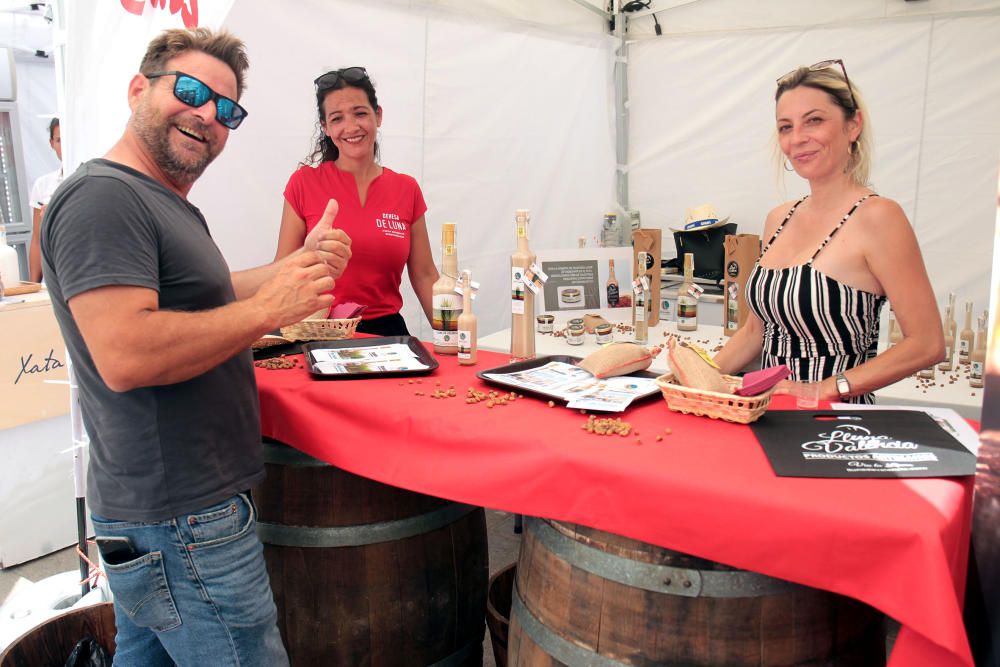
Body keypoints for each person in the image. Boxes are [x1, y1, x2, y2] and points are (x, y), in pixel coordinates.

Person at [40, 28, 351, 665]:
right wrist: (269, 311)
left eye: (226, 108)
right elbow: (126, 352)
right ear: (137, 90)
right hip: (183, 517)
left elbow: (202, 294)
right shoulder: (104, 198)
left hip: (162, 513)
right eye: (190, 91)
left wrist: (296, 265)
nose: (208, 113)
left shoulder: (159, 200)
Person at [714, 59, 943, 403]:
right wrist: (697, 377)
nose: (797, 139)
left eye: (814, 121)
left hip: (831, 425)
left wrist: (823, 388)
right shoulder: (779, 217)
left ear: (853, 126)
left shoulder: (878, 216)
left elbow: (926, 343)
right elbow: (754, 333)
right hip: (766, 414)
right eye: (785, 127)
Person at [275, 66, 437, 336]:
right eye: (337, 119)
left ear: (378, 116)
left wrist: (456, 336)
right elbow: (282, 271)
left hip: (387, 337)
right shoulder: (303, 183)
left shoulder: (406, 189)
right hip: (320, 332)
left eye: (360, 113)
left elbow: (425, 275)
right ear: (325, 128)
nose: (351, 127)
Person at [28, 117, 62, 282]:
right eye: (59, 140)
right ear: (51, 143)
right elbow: (37, 239)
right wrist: (33, 285)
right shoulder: (43, 185)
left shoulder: (95, 179)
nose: (63, 147)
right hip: (53, 277)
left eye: (67, 140)